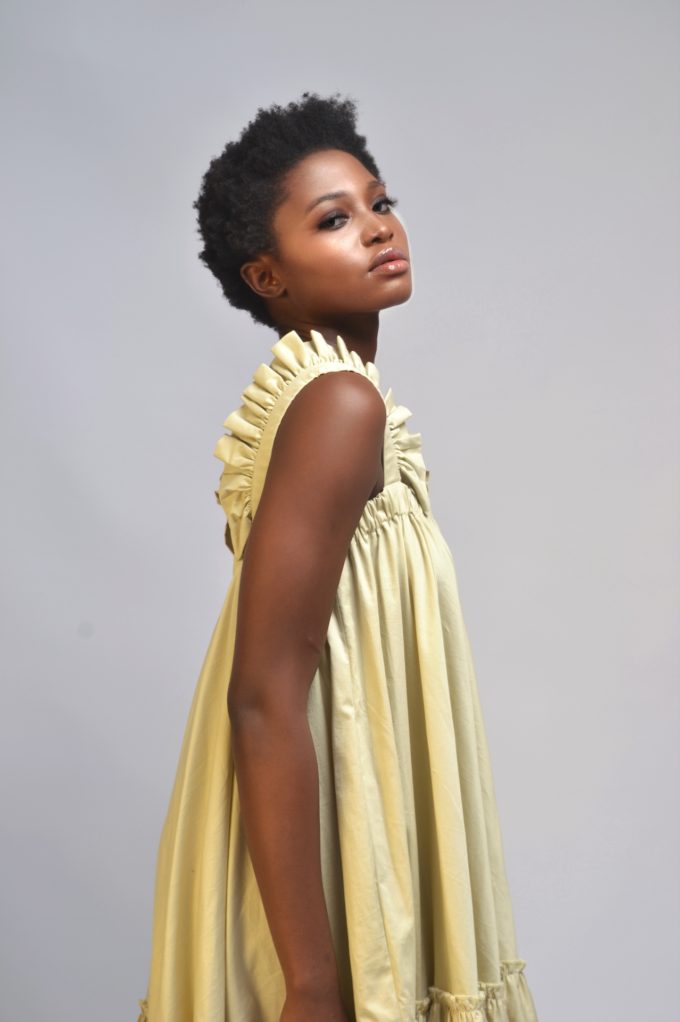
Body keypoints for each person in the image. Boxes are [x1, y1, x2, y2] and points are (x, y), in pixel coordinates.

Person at [136, 91, 540, 1022]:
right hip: (319, 854)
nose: (379, 227)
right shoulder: (337, 406)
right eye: (333, 219)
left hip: (318, 811)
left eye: (380, 202)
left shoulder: (324, 397)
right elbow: (264, 692)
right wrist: (313, 984)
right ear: (267, 276)